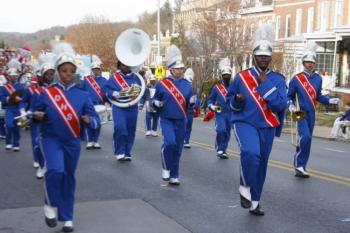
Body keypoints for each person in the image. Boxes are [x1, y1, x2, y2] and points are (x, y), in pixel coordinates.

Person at [33, 43, 99, 232]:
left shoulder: (83, 95)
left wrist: (89, 120)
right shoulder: (47, 94)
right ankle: (49, 203)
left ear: (75, 72)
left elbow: (95, 118)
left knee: (69, 177)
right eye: (64, 71)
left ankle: (67, 216)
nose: (68, 74)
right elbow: (34, 114)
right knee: (55, 171)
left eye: (71, 71)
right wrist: (37, 116)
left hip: (72, 142)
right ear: (57, 72)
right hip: (51, 139)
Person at [227, 24, 287, 216]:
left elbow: (280, 105)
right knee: (251, 153)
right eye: (259, 56)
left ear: (270, 58)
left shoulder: (277, 79)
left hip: (267, 126)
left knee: (261, 164)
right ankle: (244, 186)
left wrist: (265, 85)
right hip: (244, 122)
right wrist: (237, 100)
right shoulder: (241, 77)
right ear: (254, 57)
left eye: (266, 56)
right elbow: (230, 103)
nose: (263, 59)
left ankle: (255, 202)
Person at [287, 42, 339, 178]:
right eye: (307, 62)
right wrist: (290, 106)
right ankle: (298, 164)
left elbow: (318, 96)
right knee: (305, 136)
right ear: (303, 63)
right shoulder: (297, 78)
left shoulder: (318, 79)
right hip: (298, 111)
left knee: (307, 140)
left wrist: (329, 100)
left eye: (312, 62)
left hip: (311, 113)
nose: (309, 64)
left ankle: (302, 166)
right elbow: (289, 96)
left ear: (315, 64)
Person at [152, 45, 195, 185]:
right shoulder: (162, 84)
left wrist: (193, 102)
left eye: (181, 68)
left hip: (181, 120)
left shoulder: (187, 85)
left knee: (178, 148)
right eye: (177, 68)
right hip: (167, 119)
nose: (179, 71)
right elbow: (153, 100)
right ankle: (166, 167)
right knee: (169, 143)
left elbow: (190, 105)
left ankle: (174, 174)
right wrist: (156, 103)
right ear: (171, 69)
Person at [105, 60, 142, 161]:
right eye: (123, 64)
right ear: (119, 65)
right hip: (119, 107)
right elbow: (105, 90)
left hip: (132, 107)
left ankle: (127, 152)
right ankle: (119, 151)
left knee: (131, 130)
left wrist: (141, 98)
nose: (125, 66)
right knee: (120, 128)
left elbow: (143, 91)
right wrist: (113, 93)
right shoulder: (114, 77)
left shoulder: (137, 77)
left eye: (127, 64)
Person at [28, 54, 55, 179]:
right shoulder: (38, 91)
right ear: (43, 76)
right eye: (47, 74)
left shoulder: (58, 90)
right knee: (38, 144)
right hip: (41, 123)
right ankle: (41, 166)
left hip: (56, 122)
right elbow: (33, 109)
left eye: (51, 74)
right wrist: (35, 114)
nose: (49, 76)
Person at [79, 55, 107, 149]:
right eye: (94, 69)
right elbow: (80, 91)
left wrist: (109, 104)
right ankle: (90, 140)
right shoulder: (87, 80)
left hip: (100, 105)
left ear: (99, 70)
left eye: (97, 69)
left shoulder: (104, 80)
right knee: (89, 123)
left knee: (98, 123)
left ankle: (95, 141)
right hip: (89, 105)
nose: (96, 71)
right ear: (92, 70)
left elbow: (106, 93)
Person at [207, 58, 232, 159]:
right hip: (220, 112)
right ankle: (220, 148)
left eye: (228, 75)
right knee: (221, 130)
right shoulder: (216, 88)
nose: (226, 76)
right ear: (221, 76)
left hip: (230, 113)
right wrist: (212, 106)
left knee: (227, 133)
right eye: (224, 75)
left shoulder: (233, 87)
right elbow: (210, 100)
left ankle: (224, 149)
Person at [0, 59, 26, 151]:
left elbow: (23, 99)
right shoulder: (4, 87)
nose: (13, 77)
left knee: (16, 128)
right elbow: (2, 98)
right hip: (9, 108)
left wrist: (22, 110)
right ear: (9, 77)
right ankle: (8, 142)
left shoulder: (21, 86)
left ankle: (16, 144)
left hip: (17, 109)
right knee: (9, 125)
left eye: (15, 76)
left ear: (17, 76)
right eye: (12, 76)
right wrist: (9, 98)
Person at [183, 68, 195, 148]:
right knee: (182, 125)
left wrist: (194, 103)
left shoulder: (193, 89)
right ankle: (182, 139)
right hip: (182, 109)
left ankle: (186, 140)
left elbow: (197, 98)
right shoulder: (181, 87)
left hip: (190, 110)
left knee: (189, 126)